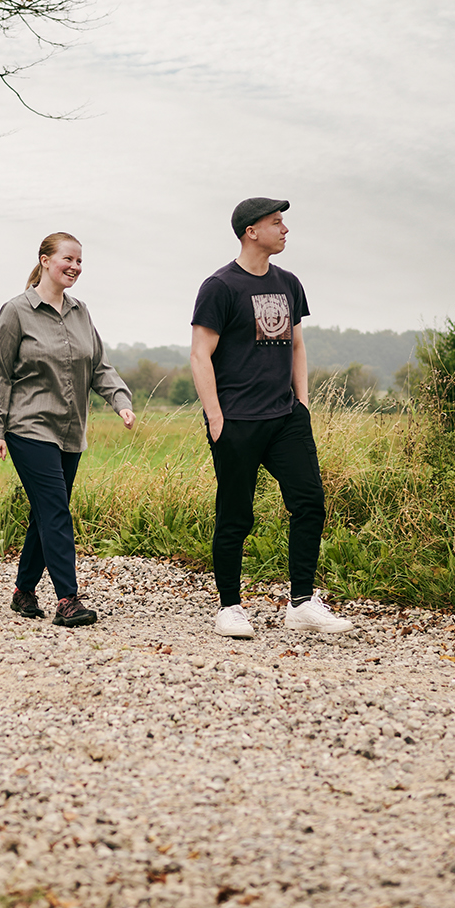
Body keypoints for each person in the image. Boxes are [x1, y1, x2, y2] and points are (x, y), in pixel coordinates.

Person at [189, 198, 352, 638]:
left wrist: (301, 402)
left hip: (285, 418)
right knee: (236, 515)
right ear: (250, 231)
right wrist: (216, 417)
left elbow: (297, 346)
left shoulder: (289, 283)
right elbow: (200, 355)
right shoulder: (220, 286)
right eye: (276, 223)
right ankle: (229, 607)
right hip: (236, 421)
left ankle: (301, 602)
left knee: (309, 503)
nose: (285, 230)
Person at [0, 232, 135, 627]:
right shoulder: (17, 311)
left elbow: (98, 365)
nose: (75, 267)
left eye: (80, 261)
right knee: (55, 511)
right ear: (46, 260)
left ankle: (23, 591)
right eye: (68, 258)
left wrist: (121, 401)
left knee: (45, 513)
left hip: (71, 431)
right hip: (28, 427)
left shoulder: (80, 311)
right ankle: (68, 599)